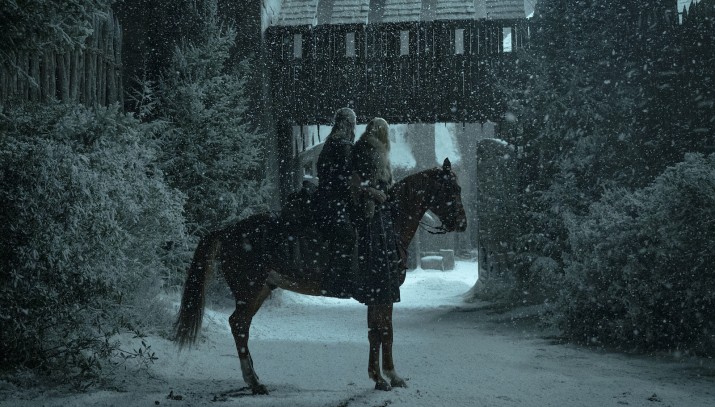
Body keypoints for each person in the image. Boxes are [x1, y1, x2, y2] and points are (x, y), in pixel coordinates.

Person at [350, 117, 402, 306]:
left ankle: (382, 286)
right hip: (370, 207)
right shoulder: (365, 149)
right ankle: (376, 287)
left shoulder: (378, 149)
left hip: (380, 205)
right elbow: (357, 180)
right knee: (375, 246)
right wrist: (373, 193)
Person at [313, 107, 358, 297]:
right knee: (346, 235)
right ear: (348, 124)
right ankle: (336, 283)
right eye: (352, 124)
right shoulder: (343, 145)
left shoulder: (331, 143)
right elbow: (347, 178)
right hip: (334, 202)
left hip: (327, 199)